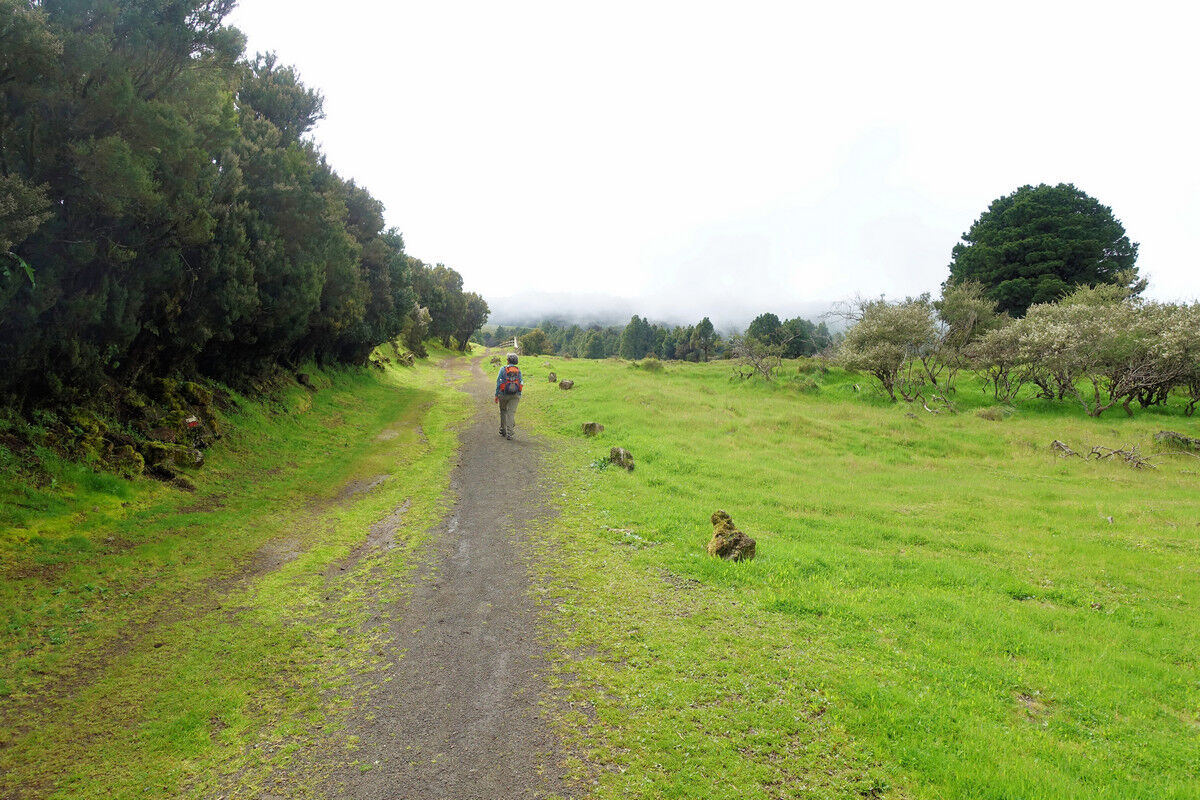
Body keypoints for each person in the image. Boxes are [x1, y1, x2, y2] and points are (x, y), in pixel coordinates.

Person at [494, 353, 523, 440]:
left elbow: (499, 382)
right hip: (515, 395)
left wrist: (496, 395)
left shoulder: (503, 369)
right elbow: (521, 382)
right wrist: (519, 394)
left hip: (503, 394)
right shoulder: (518, 370)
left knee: (503, 411)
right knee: (511, 412)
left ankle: (503, 430)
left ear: (507, 360)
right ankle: (510, 433)